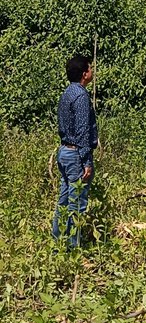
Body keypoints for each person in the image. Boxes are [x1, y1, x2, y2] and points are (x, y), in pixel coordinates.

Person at [52, 54, 98, 249]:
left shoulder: (67, 93)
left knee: (63, 200)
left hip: (64, 152)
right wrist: (86, 161)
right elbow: (82, 131)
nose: (92, 71)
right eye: (90, 68)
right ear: (84, 73)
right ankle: (72, 248)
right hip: (75, 154)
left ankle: (58, 242)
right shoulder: (80, 96)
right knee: (76, 203)